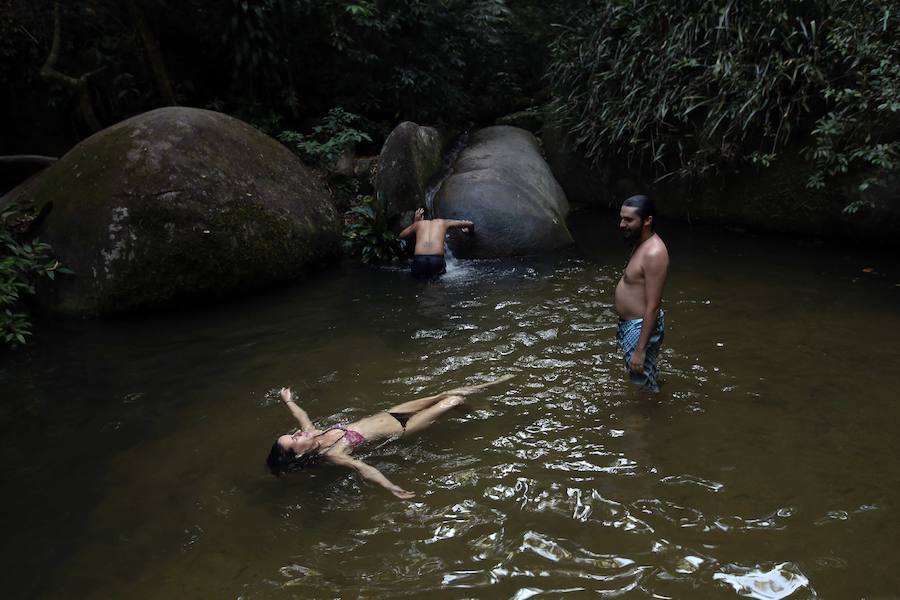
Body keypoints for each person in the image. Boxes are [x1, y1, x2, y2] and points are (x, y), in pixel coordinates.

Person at [266, 375, 514, 499]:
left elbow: (302, 415)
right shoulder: (333, 454)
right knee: (453, 400)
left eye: (293, 434)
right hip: (404, 429)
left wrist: (288, 401)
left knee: (448, 392)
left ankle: (496, 386)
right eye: (295, 439)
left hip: (393, 412)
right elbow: (363, 469)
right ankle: (478, 414)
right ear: (299, 452)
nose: (298, 433)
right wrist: (390, 486)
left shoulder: (315, 433)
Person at [614, 194, 669, 392]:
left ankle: (647, 420)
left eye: (629, 220)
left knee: (643, 390)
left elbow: (654, 305)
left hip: (639, 328)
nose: (622, 224)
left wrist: (640, 349)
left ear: (647, 220)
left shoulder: (654, 253)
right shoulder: (641, 242)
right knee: (644, 380)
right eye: (622, 218)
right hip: (632, 326)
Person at [398, 207, 474, 280]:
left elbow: (401, 235)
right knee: (436, 282)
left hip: (420, 260)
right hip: (436, 260)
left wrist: (415, 223)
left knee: (419, 283)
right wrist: (468, 230)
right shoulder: (443, 222)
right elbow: (470, 224)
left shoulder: (418, 224)